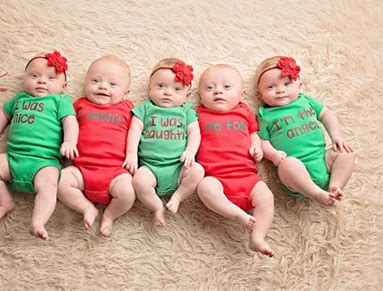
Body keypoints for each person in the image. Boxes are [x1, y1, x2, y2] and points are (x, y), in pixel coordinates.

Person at [0, 51, 78, 241]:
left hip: (44, 162)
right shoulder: (20, 98)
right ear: (25, 79)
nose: (41, 81)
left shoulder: (60, 100)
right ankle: (5, 201)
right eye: (34, 76)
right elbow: (3, 114)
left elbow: (70, 121)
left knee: (49, 187)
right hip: (14, 157)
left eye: (51, 78)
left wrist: (70, 142)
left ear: (63, 87)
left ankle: (38, 222)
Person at [196, 64, 274, 256]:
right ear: (200, 96)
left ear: (241, 95)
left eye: (226, 87)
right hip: (216, 178)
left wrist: (256, 146)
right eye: (209, 88)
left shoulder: (244, 112)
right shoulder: (198, 114)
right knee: (204, 187)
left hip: (247, 177)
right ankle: (236, 214)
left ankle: (257, 237)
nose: (218, 91)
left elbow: (253, 133)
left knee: (266, 197)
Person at [256, 56, 354, 206]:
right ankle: (315, 193)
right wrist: (273, 155)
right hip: (297, 173)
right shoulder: (265, 114)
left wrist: (336, 136)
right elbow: (263, 141)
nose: (280, 90)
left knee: (345, 152)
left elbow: (326, 114)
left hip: (324, 161)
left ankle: (336, 185)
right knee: (288, 164)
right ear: (260, 93)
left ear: (299, 84)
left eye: (287, 83)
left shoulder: (305, 100)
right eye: (271, 87)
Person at [57, 55, 135, 236]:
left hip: (116, 172)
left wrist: (133, 155)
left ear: (126, 93)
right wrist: (66, 144)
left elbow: (138, 133)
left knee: (128, 192)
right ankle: (86, 208)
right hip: (81, 170)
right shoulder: (79, 105)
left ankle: (109, 215)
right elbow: (64, 125)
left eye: (112, 85)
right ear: (85, 84)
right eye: (95, 81)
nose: (103, 86)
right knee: (60, 181)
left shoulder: (128, 108)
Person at [124, 58, 204, 227]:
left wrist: (190, 151)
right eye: (161, 86)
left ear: (187, 95)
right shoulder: (145, 107)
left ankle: (178, 197)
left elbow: (194, 132)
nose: (168, 92)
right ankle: (156, 206)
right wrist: (131, 155)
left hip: (178, 166)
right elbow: (135, 129)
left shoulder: (186, 110)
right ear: (149, 88)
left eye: (177, 89)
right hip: (150, 167)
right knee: (139, 181)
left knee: (197, 171)